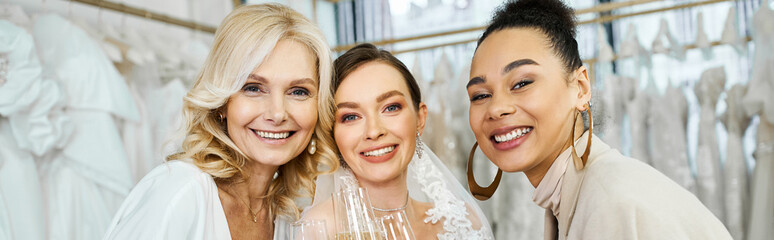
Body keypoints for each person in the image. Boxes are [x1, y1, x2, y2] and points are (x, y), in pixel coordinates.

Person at [464, 0, 731, 239]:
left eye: (522, 83)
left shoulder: (611, 203)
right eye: (480, 95)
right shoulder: (576, 194)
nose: (496, 108)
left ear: (580, 88)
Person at [103, 4, 338, 239]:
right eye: (253, 88)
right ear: (222, 102)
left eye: (298, 91)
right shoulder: (181, 192)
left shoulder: (287, 215)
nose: (277, 114)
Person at [302, 43, 493, 239]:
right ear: (331, 133)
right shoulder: (318, 229)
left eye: (390, 107)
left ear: (420, 118)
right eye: (350, 117)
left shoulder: (464, 223)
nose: (374, 131)